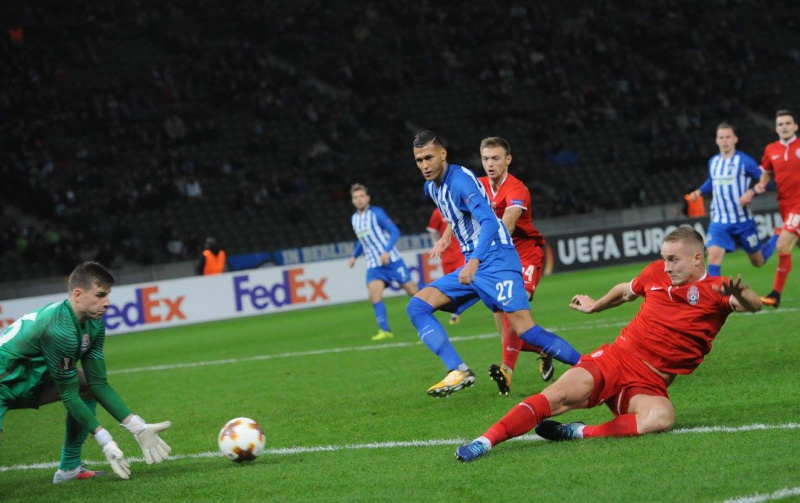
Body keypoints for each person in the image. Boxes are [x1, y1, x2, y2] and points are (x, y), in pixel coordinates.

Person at [455, 227, 762, 462]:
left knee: (661, 417)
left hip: (650, 383)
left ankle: (578, 432)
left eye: (673, 259)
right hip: (616, 358)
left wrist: (744, 294)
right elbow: (626, 291)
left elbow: (752, 305)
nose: (666, 266)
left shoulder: (714, 291)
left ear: (697, 258)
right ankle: (485, 441)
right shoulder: (655, 273)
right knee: (557, 397)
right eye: (664, 258)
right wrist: (596, 305)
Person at [408, 130, 581, 398]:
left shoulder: (462, 181)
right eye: (419, 160)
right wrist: (445, 238)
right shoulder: (431, 188)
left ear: (443, 155)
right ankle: (458, 370)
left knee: (524, 329)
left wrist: (474, 261)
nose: (424, 165)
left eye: (429, 157)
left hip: (497, 259)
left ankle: (592, 366)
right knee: (417, 305)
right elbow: (455, 216)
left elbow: (490, 221)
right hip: (475, 263)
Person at [0, 262, 172, 482]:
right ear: (78, 294)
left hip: (31, 379)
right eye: (100, 295)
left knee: (87, 387)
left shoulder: (94, 324)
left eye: (108, 295)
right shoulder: (59, 328)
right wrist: (105, 440)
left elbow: (98, 383)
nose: (107, 303)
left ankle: (69, 469)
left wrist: (137, 427)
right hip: (4, 382)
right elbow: (68, 395)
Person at [477, 137, 554, 393]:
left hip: (525, 252)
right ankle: (544, 347)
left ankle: (506, 371)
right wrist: (445, 237)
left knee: (513, 307)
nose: (490, 163)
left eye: (496, 158)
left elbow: (509, 223)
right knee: (508, 332)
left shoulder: (517, 189)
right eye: (486, 158)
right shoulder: (477, 186)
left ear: (508, 159)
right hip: (497, 254)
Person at [687, 122, 778, 278]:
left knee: (758, 262)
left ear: (735, 139)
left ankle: (777, 235)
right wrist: (699, 191)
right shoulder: (713, 162)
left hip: (743, 220)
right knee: (713, 256)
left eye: (728, 137)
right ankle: (715, 301)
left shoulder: (744, 161)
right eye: (721, 137)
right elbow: (712, 181)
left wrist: (752, 191)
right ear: (716, 140)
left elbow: (766, 181)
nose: (725, 141)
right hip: (719, 221)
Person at [347, 183, 419, 341]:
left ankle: (433, 311)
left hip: (392, 261)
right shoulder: (354, 219)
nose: (359, 200)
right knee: (374, 295)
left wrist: (386, 250)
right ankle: (385, 330)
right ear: (352, 200)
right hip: (374, 265)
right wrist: (354, 256)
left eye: (361, 196)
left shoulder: (376, 213)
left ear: (368, 198)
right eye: (355, 197)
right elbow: (362, 240)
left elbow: (395, 231)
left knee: (413, 292)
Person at [754, 110, 800, 308]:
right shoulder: (771, 149)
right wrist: (762, 184)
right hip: (785, 205)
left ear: (795, 126)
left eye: (788, 123)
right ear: (776, 128)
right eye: (780, 124)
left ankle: (775, 295)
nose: (784, 127)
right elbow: (766, 172)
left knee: (782, 245)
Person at [426, 208, 465, 325]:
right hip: (446, 254)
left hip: (460, 251)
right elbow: (432, 230)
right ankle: (455, 312)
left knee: (464, 279)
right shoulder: (437, 212)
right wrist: (435, 244)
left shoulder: (457, 207)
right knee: (451, 284)